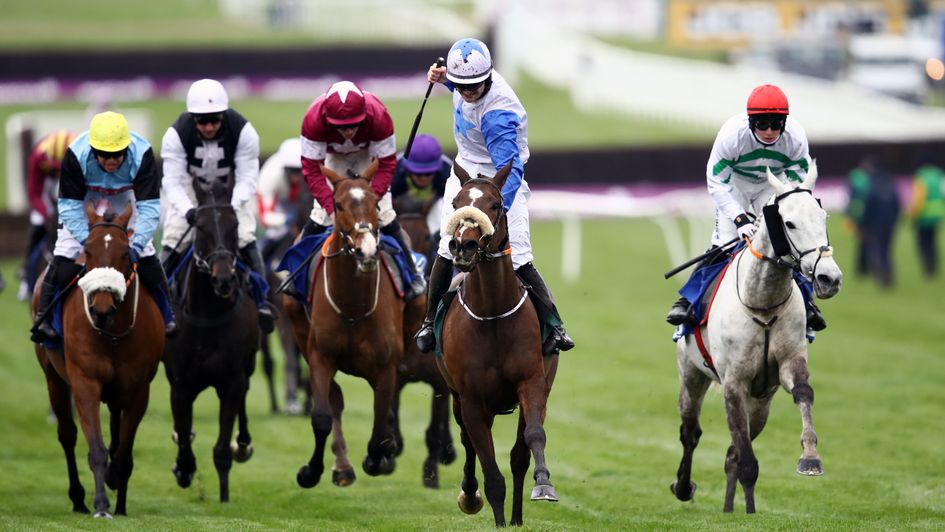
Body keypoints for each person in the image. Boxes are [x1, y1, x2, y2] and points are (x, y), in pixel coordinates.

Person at [413, 38, 574, 355]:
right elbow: (464, 93)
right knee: (448, 248)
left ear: (488, 76)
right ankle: (429, 322)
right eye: (462, 85)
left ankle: (554, 326)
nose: (467, 92)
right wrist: (447, 80)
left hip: (501, 177)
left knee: (520, 257)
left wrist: (492, 211)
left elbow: (510, 171)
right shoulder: (464, 85)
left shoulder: (499, 115)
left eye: (474, 85)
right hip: (464, 173)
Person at [665, 84, 827, 334]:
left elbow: (798, 181)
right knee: (725, 242)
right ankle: (688, 300)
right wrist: (740, 218)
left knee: (786, 247)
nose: (770, 131)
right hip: (734, 186)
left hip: (772, 186)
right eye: (762, 124)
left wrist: (783, 207)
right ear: (751, 121)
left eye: (776, 124)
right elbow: (716, 181)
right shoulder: (732, 135)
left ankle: (808, 304)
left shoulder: (795, 137)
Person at [31, 111, 177, 343]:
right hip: (86, 197)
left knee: (148, 252)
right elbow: (69, 206)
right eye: (104, 155)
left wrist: (136, 246)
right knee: (63, 252)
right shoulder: (76, 155)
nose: (112, 161)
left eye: (118, 155)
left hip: (126, 195)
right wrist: (88, 241)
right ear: (92, 150)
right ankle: (43, 319)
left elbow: (149, 208)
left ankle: (168, 316)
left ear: (127, 149)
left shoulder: (142, 154)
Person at [159, 78, 274, 332]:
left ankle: (263, 302)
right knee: (174, 235)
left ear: (224, 115)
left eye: (214, 120)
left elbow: (247, 176)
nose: (209, 126)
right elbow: (173, 181)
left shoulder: (244, 131)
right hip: (190, 188)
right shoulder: (176, 134)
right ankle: (160, 306)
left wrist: (230, 208)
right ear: (193, 119)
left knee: (244, 235)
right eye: (202, 121)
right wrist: (188, 211)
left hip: (232, 190)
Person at [298, 80, 426, 299]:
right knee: (320, 216)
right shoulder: (313, 119)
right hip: (333, 161)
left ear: (364, 115)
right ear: (328, 120)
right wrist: (331, 209)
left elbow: (386, 164)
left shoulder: (379, 115)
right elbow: (311, 169)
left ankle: (413, 275)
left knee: (385, 215)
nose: (347, 132)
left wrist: (370, 201)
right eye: (340, 126)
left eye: (353, 125)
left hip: (368, 159)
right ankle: (297, 275)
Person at [19, 129, 76, 301]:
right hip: (46, 187)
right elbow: (34, 193)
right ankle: (26, 273)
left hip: (71, 185)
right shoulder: (38, 156)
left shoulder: (79, 154)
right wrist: (47, 215)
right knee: (38, 223)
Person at [391, 133, 451, 256]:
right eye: (418, 174)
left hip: (435, 205)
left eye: (429, 174)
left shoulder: (448, 172)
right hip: (398, 207)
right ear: (408, 168)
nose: (423, 178)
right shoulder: (394, 172)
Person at [256, 137, 307, 267]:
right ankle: (260, 265)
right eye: (291, 170)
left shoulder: (312, 170)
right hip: (278, 204)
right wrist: (286, 220)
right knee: (276, 233)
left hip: (299, 202)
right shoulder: (270, 176)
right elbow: (264, 217)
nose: (296, 177)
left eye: (299, 170)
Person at [860, 159, 901, 288]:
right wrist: (894, 221)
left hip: (876, 225)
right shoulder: (889, 183)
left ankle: (882, 277)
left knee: (877, 250)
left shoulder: (872, 185)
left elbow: (869, 207)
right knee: (886, 250)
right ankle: (888, 274)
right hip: (889, 223)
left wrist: (865, 226)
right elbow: (897, 205)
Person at [907, 159, 944, 278]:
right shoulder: (939, 175)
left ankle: (928, 268)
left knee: (923, 244)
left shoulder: (920, 176)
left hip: (923, 216)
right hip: (937, 214)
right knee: (933, 242)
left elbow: (917, 198)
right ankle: (934, 266)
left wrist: (912, 215)